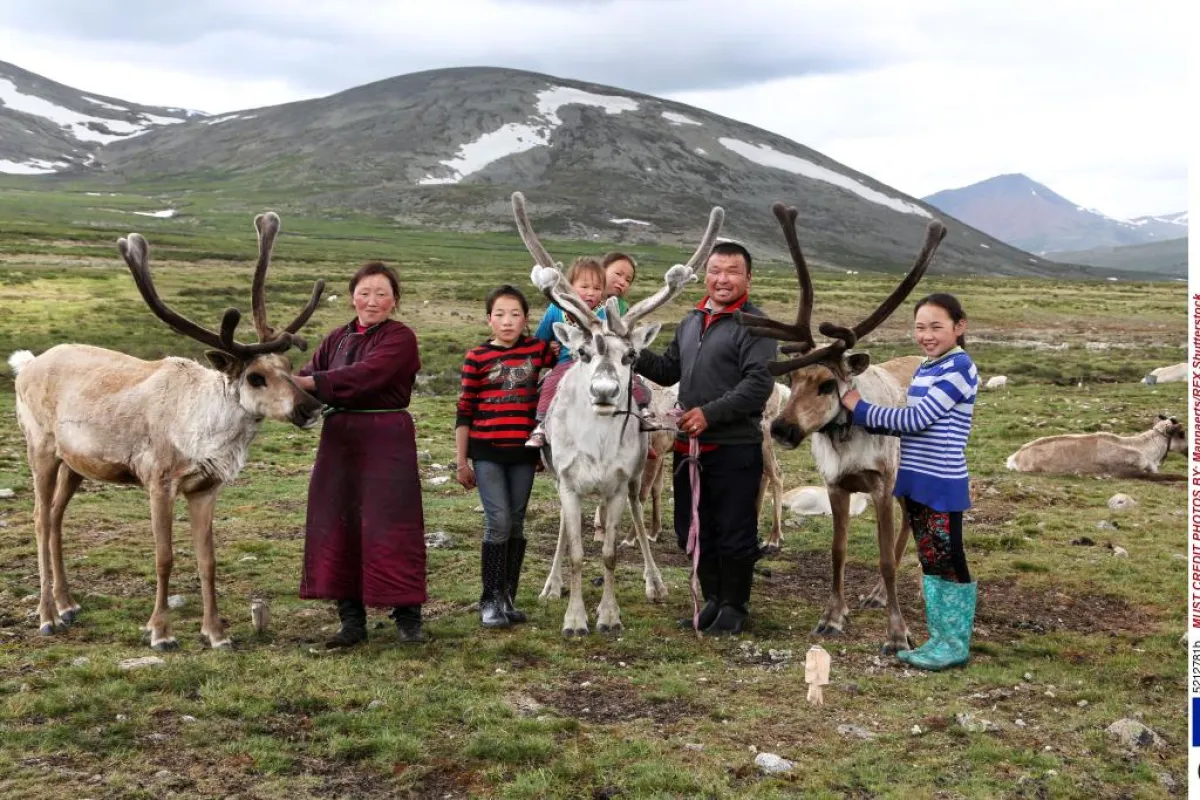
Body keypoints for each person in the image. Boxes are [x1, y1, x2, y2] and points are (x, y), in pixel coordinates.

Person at [634, 239, 777, 636]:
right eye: (715, 271)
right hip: (689, 448)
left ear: (748, 277)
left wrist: (710, 414)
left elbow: (758, 384)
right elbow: (668, 370)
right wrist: (630, 348)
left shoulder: (757, 326)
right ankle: (713, 598)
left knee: (734, 530)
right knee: (692, 527)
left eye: (732, 271)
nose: (722, 279)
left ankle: (735, 605)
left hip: (734, 447)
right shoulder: (691, 321)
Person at [839, 293, 979, 670]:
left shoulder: (959, 367)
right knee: (931, 559)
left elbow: (915, 420)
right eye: (920, 327)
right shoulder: (930, 367)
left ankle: (953, 644)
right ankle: (941, 638)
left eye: (936, 327)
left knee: (947, 560)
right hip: (918, 477)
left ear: (959, 327)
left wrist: (859, 407)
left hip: (940, 480)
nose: (926, 335)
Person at [293, 261, 428, 647]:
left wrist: (311, 382)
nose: (372, 301)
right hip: (339, 443)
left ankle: (407, 617)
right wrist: (286, 392)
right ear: (353, 296)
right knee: (340, 523)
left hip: (387, 439)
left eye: (381, 294)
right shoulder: (336, 338)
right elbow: (306, 380)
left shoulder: (401, 337)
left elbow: (370, 373)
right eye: (365, 293)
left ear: (394, 300)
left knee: (392, 524)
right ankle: (351, 621)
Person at [455, 285, 556, 628]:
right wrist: (461, 461)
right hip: (487, 452)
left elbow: (566, 365)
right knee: (497, 521)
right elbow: (464, 410)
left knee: (515, 522)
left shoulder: (538, 350)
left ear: (526, 320)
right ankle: (489, 599)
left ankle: (507, 597)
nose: (507, 321)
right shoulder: (477, 357)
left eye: (515, 314)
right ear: (489, 319)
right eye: (499, 314)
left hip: (524, 453)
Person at [524, 256, 607, 449]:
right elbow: (539, 340)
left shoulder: (604, 312)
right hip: (566, 365)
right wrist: (549, 348)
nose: (591, 293)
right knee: (551, 384)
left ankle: (640, 417)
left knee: (628, 383)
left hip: (597, 365)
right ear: (569, 286)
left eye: (597, 288)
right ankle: (542, 425)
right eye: (584, 286)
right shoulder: (556, 309)